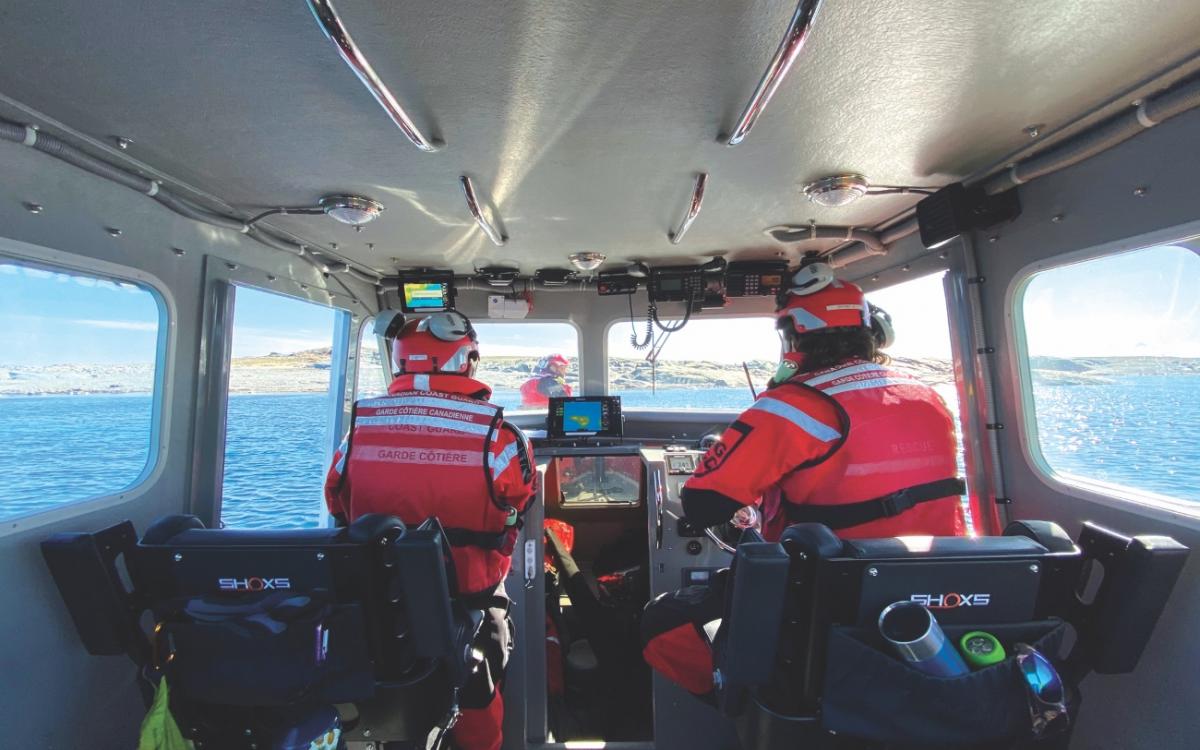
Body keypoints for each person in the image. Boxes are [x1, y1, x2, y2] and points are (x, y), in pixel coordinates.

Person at [641, 262, 966, 702]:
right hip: (937, 587)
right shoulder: (928, 397)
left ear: (794, 338)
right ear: (873, 332)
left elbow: (702, 507)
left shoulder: (790, 407)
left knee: (661, 623)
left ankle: (749, 703)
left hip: (820, 593)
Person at [324, 309, 536, 750]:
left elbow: (336, 500)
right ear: (466, 361)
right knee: (477, 700)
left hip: (380, 598)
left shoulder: (360, 430)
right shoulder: (499, 436)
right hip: (470, 598)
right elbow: (519, 503)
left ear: (401, 362)